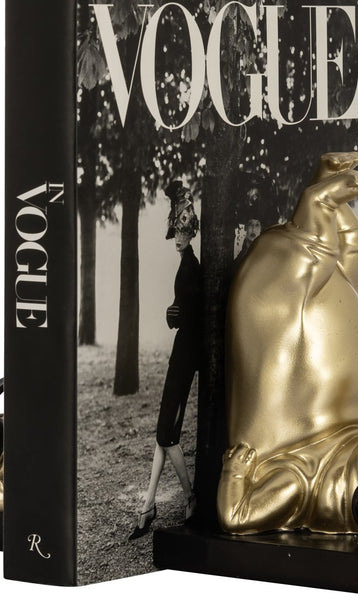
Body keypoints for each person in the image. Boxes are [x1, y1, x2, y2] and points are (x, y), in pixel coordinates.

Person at [129, 182, 202, 540]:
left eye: (184, 232)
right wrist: (175, 314)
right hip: (181, 352)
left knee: (166, 435)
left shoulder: (193, 267)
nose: (178, 237)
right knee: (163, 435)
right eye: (176, 231)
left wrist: (177, 315)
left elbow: (196, 314)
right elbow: (185, 310)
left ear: (192, 233)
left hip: (187, 356)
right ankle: (148, 505)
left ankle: (190, 497)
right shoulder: (186, 264)